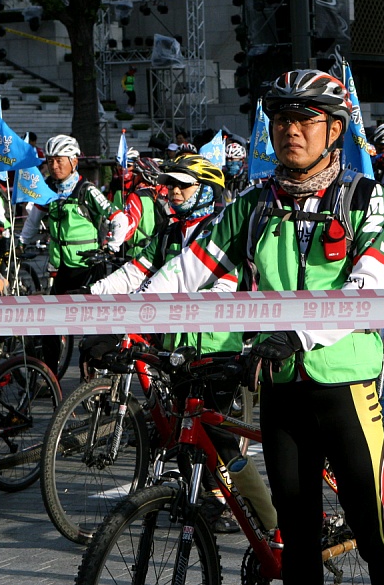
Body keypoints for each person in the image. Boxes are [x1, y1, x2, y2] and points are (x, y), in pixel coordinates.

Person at [133, 69, 384, 584]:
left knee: (372, 530)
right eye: (282, 120)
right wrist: (123, 317)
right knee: (296, 536)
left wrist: (298, 334)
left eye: (306, 120)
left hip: (345, 384)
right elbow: (185, 269)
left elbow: (366, 284)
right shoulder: (254, 204)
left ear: (335, 131)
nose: (292, 131)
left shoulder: (364, 198)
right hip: (279, 388)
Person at [88, 154, 243, 533]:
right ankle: (194, 495)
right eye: (170, 184)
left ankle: (228, 500)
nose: (172, 191)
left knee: (215, 431)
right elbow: (135, 271)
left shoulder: (224, 229)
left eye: (182, 185)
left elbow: (230, 281)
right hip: (174, 347)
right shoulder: (170, 232)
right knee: (181, 425)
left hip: (216, 345)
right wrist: (92, 294)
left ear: (206, 191)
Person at [18, 134, 129, 376]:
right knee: (49, 325)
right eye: (50, 161)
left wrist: (110, 247)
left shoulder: (86, 190)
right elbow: (33, 220)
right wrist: (21, 243)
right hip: (62, 269)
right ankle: (50, 376)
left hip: (89, 267)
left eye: (59, 161)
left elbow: (119, 218)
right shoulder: (47, 189)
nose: (54, 166)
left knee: (93, 329)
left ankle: (94, 381)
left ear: (74, 161)